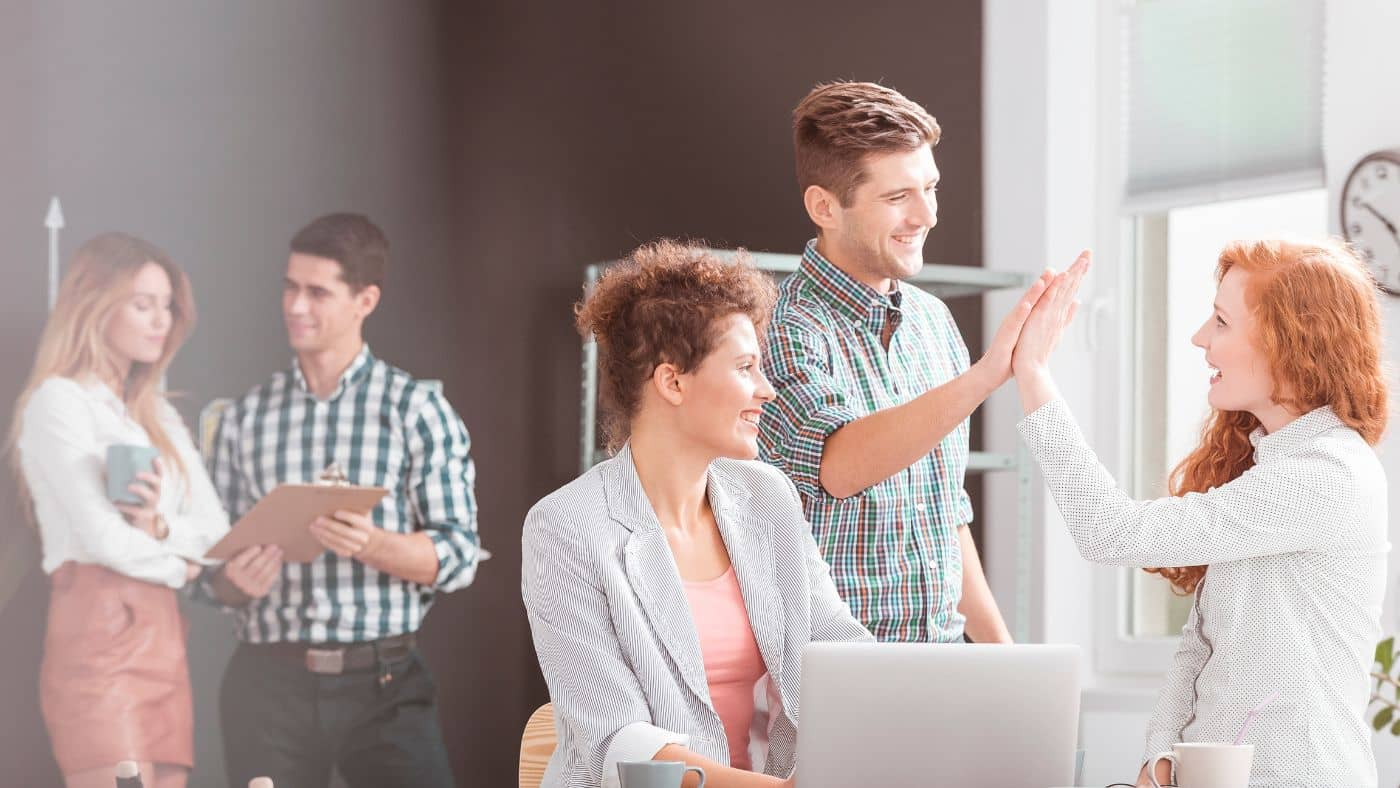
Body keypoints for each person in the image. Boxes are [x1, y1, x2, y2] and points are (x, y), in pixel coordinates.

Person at [1012, 241, 1387, 787]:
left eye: (1221, 321)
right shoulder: (1272, 465)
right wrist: (1162, 750)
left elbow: (1111, 534)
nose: (1199, 338)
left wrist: (1033, 375)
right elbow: (1203, 642)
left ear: (1289, 344)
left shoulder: (1326, 475)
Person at [523, 241, 874, 788]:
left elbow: (838, 651)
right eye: (745, 367)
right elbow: (623, 746)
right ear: (673, 382)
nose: (767, 390)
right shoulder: (566, 526)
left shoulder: (767, 496)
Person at [759, 81, 1052, 643]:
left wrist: (1004, 659)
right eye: (897, 198)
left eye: (931, 188)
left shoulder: (933, 323)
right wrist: (987, 375)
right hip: (832, 668)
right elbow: (837, 468)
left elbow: (945, 512)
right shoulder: (784, 327)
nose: (926, 215)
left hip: (940, 659)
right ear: (825, 206)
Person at [202, 213, 481, 787]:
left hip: (386, 684)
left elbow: (456, 556)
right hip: (266, 686)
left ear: (365, 300)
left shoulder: (414, 409)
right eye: (289, 286)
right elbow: (208, 569)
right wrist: (234, 581)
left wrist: (373, 544)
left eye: (316, 292)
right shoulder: (246, 417)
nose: (295, 306)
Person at [9, 232, 231, 788]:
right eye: (142, 304)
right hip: (98, 639)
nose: (161, 320)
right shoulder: (58, 402)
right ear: (96, 307)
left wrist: (159, 526)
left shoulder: (155, 411)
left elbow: (216, 533)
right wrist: (180, 564)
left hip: (163, 639)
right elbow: (104, 540)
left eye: (166, 305)